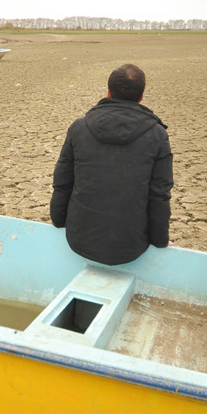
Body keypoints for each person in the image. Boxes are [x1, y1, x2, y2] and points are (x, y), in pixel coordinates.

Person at [50, 64, 173, 265]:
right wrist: (160, 241)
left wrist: (58, 221)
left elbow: (62, 182)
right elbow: (159, 194)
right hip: (132, 246)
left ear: (108, 93)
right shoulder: (157, 135)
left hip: (78, 238)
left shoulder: (79, 127)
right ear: (141, 96)